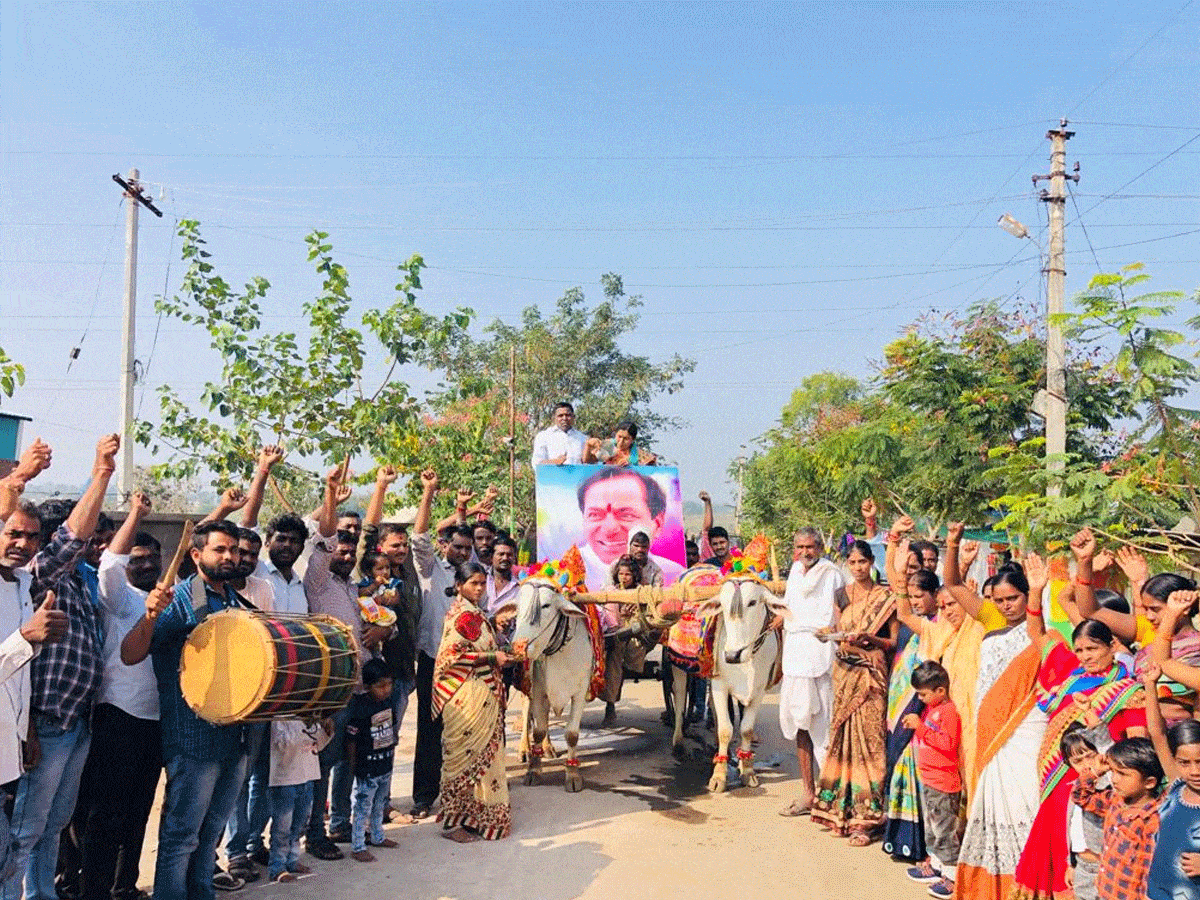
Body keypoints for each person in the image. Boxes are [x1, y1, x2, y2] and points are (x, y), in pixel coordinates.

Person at [7, 436, 117, 900]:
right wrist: (100, 474)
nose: (23, 544)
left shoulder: (75, 582)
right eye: (15, 534)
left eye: (30, 536)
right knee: (25, 832)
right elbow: (74, 535)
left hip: (77, 722)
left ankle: (40, 894)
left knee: (53, 826)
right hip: (45, 725)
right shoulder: (36, 578)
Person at [1009, 532, 1148, 900]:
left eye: (1092, 649)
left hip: (1104, 781)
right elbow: (1038, 635)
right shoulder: (1072, 675)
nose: (1085, 656)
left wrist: (1104, 757)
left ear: (1112, 646)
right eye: (1080, 649)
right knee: (1058, 840)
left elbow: (1137, 742)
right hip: (1060, 773)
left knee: (1090, 855)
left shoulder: (1127, 689)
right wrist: (1036, 593)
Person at [119, 519, 252, 900]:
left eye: (234, 550)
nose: (229, 557)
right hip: (192, 739)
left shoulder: (233, 600)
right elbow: (130, 655)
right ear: (196, 555)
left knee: (210, 834)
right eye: (220, 549)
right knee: (182, 835)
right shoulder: (176, 600)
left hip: (234, 736)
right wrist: (148, 616)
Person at [75, 493, 163, 900]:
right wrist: (135, 515)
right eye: (138, 558)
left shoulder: (168, 600)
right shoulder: (116, 595)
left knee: (139, 812)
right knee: (105, 815)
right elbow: (112, 562)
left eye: (151, 558)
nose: (144, 565)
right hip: (118, 715)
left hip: (158, 720)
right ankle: (93, 890)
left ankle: (125, 885)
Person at [303, 467, 390, 857]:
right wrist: (330, 495)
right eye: (340, 549)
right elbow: (322, 540)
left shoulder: (353, 589)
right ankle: (315, 833)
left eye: (350, 551)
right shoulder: (317, 582)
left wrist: (381, 634)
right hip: (333, 691)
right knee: (324, 762)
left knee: (349, 762)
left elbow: (382, 628)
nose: (346, 553)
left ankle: (341, 824)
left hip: (359, 690)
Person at [954, 559, 1049, 900]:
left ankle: (1028, 885)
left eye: (1013, 598)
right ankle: (990, 888)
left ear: (1027, 597)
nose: (1006, 606)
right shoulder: (991, 635)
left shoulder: (1042, 635)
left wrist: (1038, 590)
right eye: (999, 600)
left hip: (1025, 730)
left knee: (1026, 806)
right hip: (990, 731)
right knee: (992, 807)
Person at [808, 540, 894, 834]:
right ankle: (839, 812)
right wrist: (827, 633)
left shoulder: (886, 597)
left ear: (872, 563)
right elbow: (837, 629)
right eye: (853, 563)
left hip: (871, 676)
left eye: (863, 562)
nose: (858, 568)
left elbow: (892, 641)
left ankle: (867, 818)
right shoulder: (841, 594)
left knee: (870, 742)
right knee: (842, 739)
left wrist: (870, 639)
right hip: (844, 671)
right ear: (847, 564)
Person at [409, 470, 474, 820]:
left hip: (466, 663)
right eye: (457, 547)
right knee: (429, 729)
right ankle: (423, 796)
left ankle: (460, 794)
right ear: (445, 546)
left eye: (467, 548)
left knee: (463, 727)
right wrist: (429, 492)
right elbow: (419, 536)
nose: (462, 552)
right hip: (433, 659)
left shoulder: (476, 578)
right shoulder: (430, 569)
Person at [433, 562, 511, 842]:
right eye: (472, 584)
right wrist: (493, 658)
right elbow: (450, 656)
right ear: (459, 585)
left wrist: (500, 653)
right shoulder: (460, 616)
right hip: (465, 693)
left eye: (481, 583)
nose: (478, 589)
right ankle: (453, 824)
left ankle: (479, 817)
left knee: (486, 759)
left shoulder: (475, 612)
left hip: (483, 691)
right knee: (462, 757)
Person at [780, 528, 847, 818]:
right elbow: (789, 608)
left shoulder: (832, 574)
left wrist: (837, 632)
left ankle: (831, 797)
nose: (805, 552)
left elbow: (842, 610)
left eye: (810, 546)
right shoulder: (795, 571)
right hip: (795, 657)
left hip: (821, 655)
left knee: (825, 727)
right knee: (800, 725)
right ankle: (808, 793)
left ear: (819, 547)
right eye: (800, 546)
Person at [880, 556, 939, 861]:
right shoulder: (907, 627)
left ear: (935, 596)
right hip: (897, 703)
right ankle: (897, 836)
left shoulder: (935, 626)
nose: (915, 602)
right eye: (912, 597)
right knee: (895, 764)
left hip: (919, 704)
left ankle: (918, 845)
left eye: (920, 596)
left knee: (913, 766)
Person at [1070, 737, 1165, 900]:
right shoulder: (1115, 800)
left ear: (1149, 782)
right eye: (1113, 771)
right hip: (1105, 892)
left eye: (1122, 774)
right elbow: (1080, 797)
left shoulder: (1152, 821)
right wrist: (1095, 772)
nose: (1114, 779)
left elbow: (1154, 875)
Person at [902, 662, 963, 900]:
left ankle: (952, 877)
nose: (921, 698)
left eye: (923, 693)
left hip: (943, 782)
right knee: (932, 828)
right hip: (930, 778)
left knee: (944, 831)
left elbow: (948, 744)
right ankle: (936, 866)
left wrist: (921, 728)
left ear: (940, 691)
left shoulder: (947, 712)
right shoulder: (932, 709)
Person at [1142, 663, 1200, 900]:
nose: (1194, 770)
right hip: (1157, 891)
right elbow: (1158, 733)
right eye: (1185, 763)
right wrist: (1150, 684)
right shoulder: (1176, 784)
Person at [576, 467, 683, 589]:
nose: (609, 529)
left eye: (626, 515)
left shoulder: (672, 573)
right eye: (595, 514)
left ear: (657, 523)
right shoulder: (571, 568)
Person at [344, 660, 398, 862]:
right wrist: (354, 764)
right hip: (367, 768)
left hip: (385, 764)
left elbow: (390, 731)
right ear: (368, 686)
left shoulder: (389, 703)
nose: (386, 690)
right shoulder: (360, 708)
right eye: (380, 686)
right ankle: (358, 846)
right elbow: (351, 739)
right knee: (362, 807)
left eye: (389, 684)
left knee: (379, 805)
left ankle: (378, 836)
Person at [265, 719, 321, 883]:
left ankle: (292, 859)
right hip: (286, 779)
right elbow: (283, 747)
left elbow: (319, 746)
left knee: (300, 823)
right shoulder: (280, 719)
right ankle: (277, 866)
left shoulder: (311, 715)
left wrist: (323, 729)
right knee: (282, 827)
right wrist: (307, 729)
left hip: (308, 776)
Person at [1060, 723, 1109, 900]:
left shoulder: (1109, 787)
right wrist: (1072, 864)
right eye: (1077, 761)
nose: (1086, 764)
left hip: (1105, 868)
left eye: (1090, 756)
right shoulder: (1074, 788)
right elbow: (1073, 829)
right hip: (1082, 867)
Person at [531, 402, 586, 467]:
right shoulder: (543, 436)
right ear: (554, 418)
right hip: (552, 476)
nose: (564, 418)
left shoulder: (582, 438)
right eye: (560, 416)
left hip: (578, 477)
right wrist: (555, 462)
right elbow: (536, 464)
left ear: (573, 417)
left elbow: (588, 463)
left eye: (568, 415)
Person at [583, 420, 657, 467]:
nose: (621, 441)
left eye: (626, 439)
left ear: (633, 439)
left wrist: (630, 468)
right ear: (615, 434)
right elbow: (586, 460)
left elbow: (651, 472)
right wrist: (588, 445)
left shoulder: (641, 455)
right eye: (619, 436)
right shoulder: (607, 448)